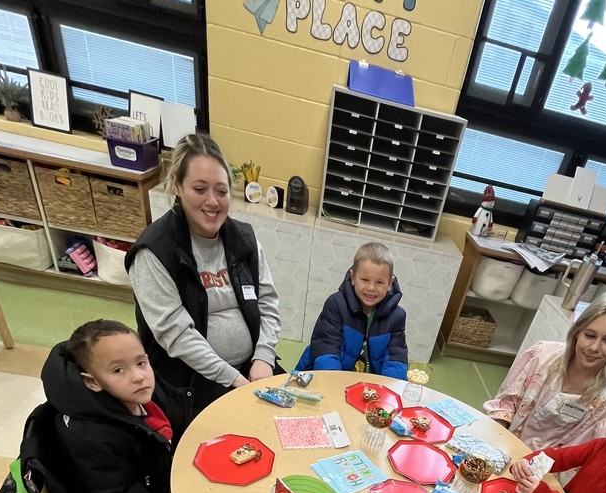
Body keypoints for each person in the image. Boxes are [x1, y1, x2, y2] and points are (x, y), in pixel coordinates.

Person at [126, 133, 282, 415]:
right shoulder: (154, 251)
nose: (213, 201)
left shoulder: (244, 240)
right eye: (200, 189)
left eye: (221, 191)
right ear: (177, 186)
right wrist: (233, 379)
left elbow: (268, 304)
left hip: (252, 369)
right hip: (190, 382)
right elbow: (176, 333)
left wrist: (264, 356)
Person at [41, 319, 185, 493]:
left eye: (141, 362)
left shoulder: (138, 393)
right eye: (119, 370)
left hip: (156, 479)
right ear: (92, 382)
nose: (139, 376)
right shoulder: (92, 437)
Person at [482, 289, 606, 451]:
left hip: (545, 469)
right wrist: (496, 438)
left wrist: (531, 466)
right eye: (590, 335)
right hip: (501, 443)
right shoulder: (541, 356)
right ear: (577, 331)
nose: (594, 347)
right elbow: (504, 404)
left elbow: (578, 456)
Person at [296, 241, 408, 378]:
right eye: (365, 280)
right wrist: (334, 384)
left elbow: (396, 358)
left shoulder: (397, 316)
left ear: (390, 283)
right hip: (332, 377)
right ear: (353, 277)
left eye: (379, 282)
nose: (371, 288)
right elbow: (326, 349)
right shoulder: (336, 304)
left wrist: (385, 389)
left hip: (371, 387)